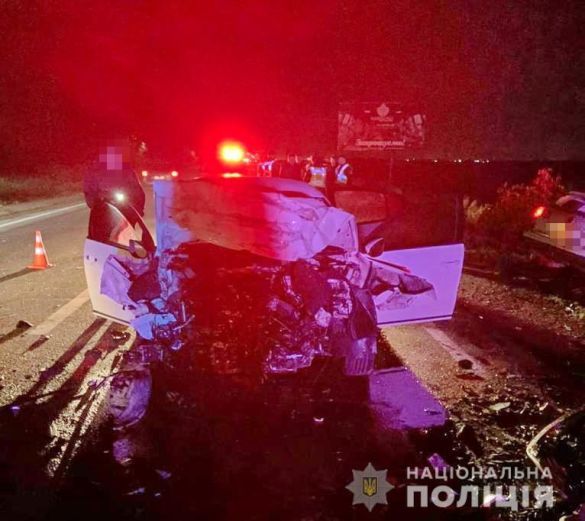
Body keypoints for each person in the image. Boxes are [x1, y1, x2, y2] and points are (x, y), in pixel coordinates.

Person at [84, 140, 146, 224]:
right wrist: (95, 203)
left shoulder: (127, 171)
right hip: (103, 209)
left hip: (125, 208)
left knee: (128, 228)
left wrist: (139, 209)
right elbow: (88, 190)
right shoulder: (95, 171)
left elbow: (138, 191)